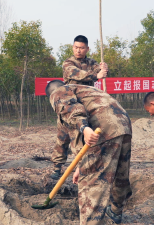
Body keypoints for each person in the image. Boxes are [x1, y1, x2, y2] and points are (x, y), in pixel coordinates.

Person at [46, 80, 132, 225]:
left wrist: (84, 128)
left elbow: (72, 109)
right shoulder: (87, 91)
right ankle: (116, 211)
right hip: (123, 124)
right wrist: (81, 165)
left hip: (101, 129)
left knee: (92, 184)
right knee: (119, 173)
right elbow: (64, 139)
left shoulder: (59, 92)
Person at [50, 35, 109, 180]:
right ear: (72, 48)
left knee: (82, 137)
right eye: (76, 47)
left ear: (87, 49)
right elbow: (77, 74)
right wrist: (96, 75)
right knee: (62, 138)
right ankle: (56, 169)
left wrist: (104, 69)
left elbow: (101, 73)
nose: (78, 50)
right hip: (69, 104)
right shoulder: (68, 63)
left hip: (87, 105)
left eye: (82, 48)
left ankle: (82, 167)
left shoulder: (91, 63)